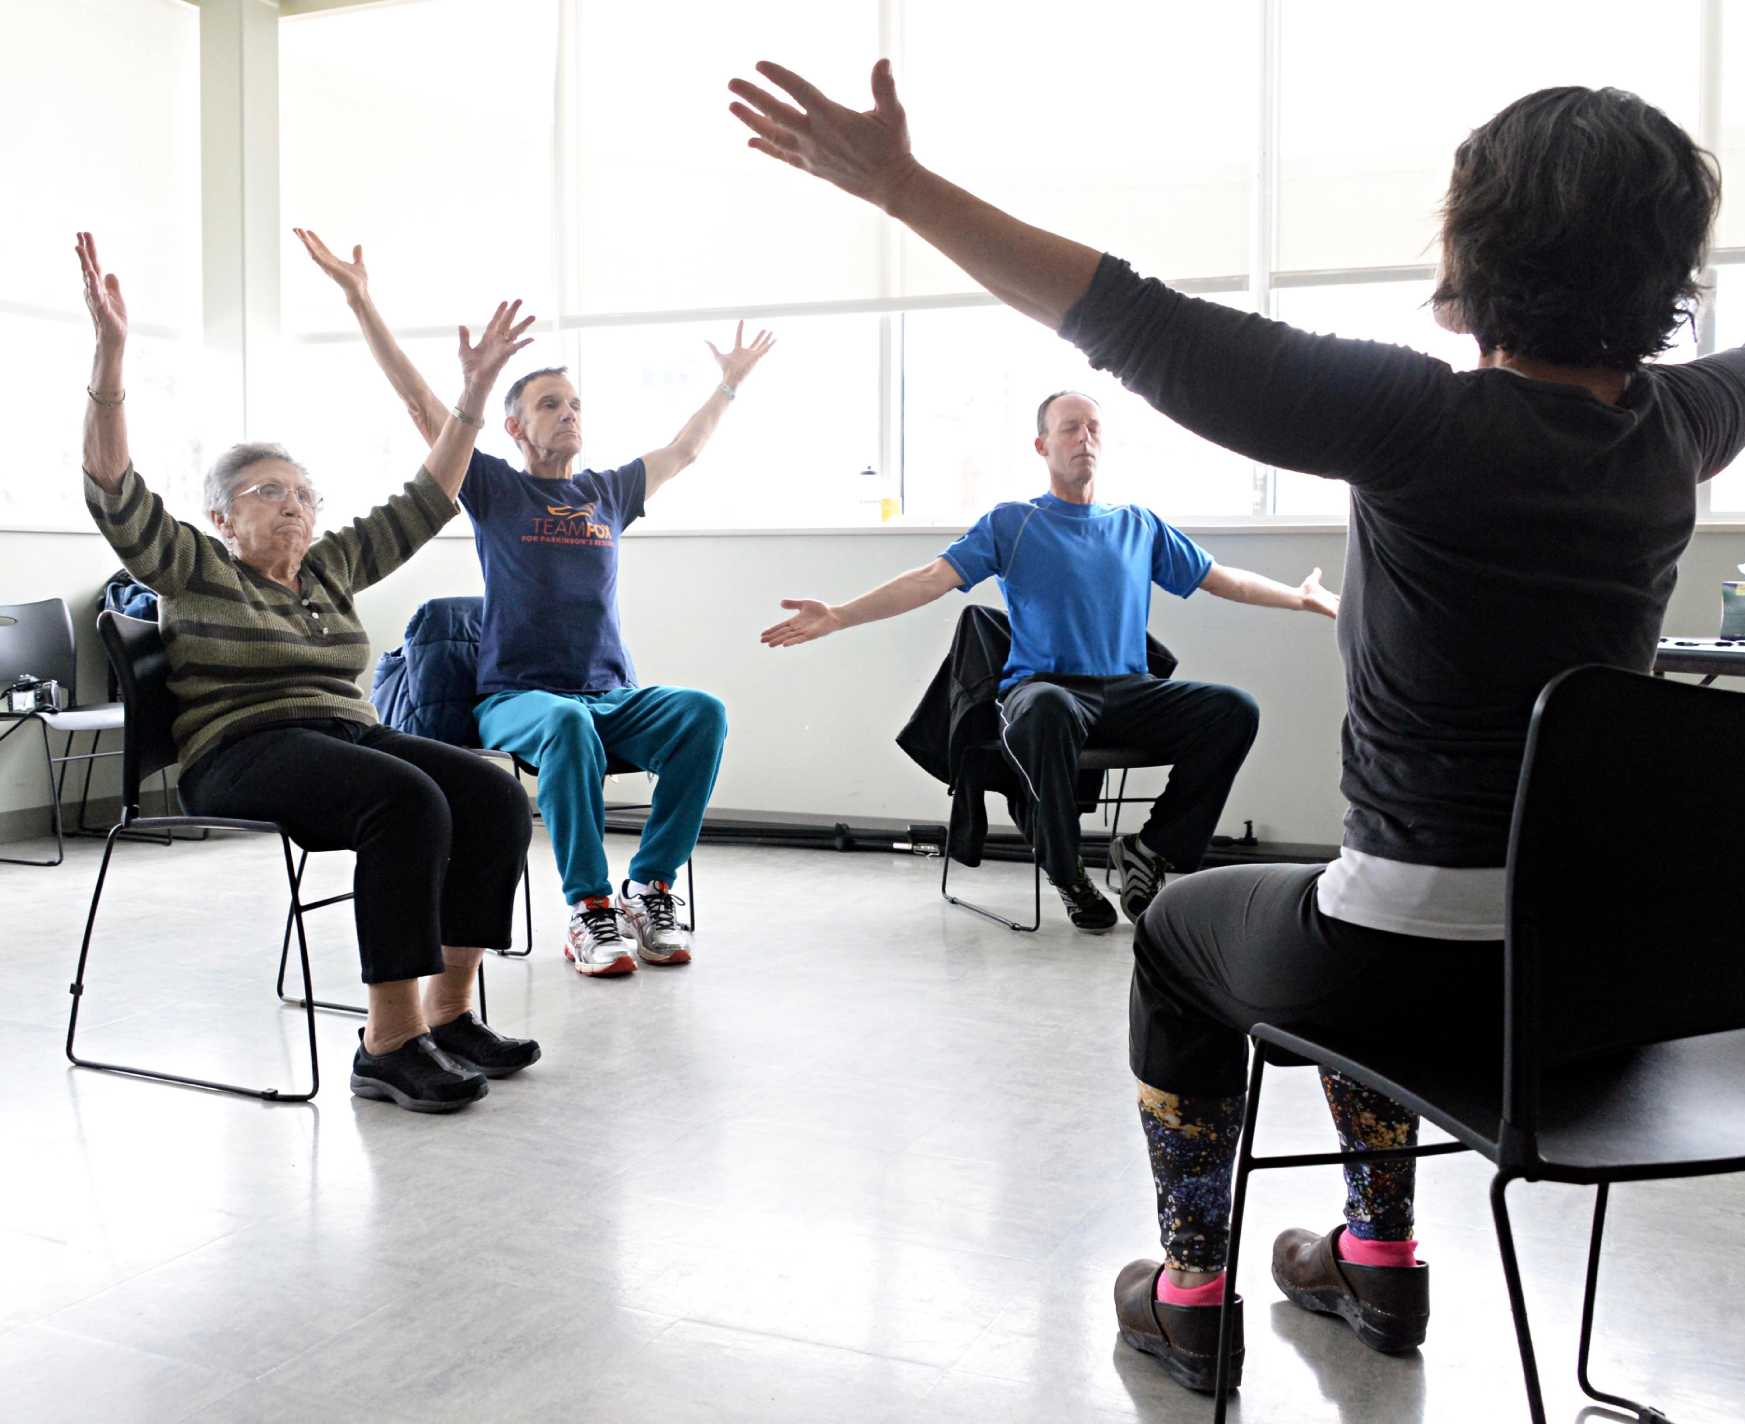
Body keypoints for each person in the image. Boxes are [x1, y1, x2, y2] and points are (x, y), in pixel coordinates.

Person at [726, 65, 1745, 1390]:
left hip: (1398, 964)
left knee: (1186, 933)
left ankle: (1190, 1291)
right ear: (1666, 272)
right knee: (1346, 910)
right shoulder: (1680, 426)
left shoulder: (1413, 418)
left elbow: (1130, 319)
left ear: (1476, 250)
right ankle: (1373, 1259)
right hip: (1597, 988)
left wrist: (901, 188)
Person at [75, 231, 547, 1115]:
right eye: (268, 492)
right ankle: (388, 1043)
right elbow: (113, 487)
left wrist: (476, 394)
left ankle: (449, 1014)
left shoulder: (330, 567)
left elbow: (430, 496)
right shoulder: (192, 565)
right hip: (239, 750)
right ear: (221, 516)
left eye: (303, 493)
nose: (293, 504)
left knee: (493, 796)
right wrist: (111, 357)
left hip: (344, 737)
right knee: (405, 801)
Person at [296, 230, 776, 977]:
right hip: (519, 701)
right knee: (565, 723)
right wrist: (361, 300)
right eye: (550, 405)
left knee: (701, 713)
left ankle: (650, 887)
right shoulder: (494, 487)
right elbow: (422, 406)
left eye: (575, 404)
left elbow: (684, 449)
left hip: (611, 697)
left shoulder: (609, 492)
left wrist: (730, 384)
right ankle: (588, 910)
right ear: (516, 426)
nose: (569, 414)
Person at [761, 388, 1335, 932]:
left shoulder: (1137, 524)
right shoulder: (1013, 522)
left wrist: (1299, 597)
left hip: (1128, 693)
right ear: (1042, 445)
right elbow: (929, 579)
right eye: (1070, 428)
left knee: (1234, 709)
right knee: (1048, 707)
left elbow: (1223, 579)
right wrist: (840, 615)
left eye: (1094, 429)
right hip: (1043, 691)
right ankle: (1067, 872)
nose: (1085, 438)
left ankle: (1150, 850)